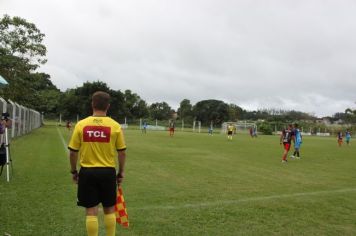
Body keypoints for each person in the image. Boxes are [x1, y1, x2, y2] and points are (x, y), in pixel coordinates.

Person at [68, 91, 127, 236]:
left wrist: (74, 171)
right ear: (108, 106)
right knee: (109, 209)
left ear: (92, 105)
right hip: (107, 172)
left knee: (91, 210)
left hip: (87, 172)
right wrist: (121, 172)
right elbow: (122, 152)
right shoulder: (115, 126)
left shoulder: (81, 125)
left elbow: (73, 152)